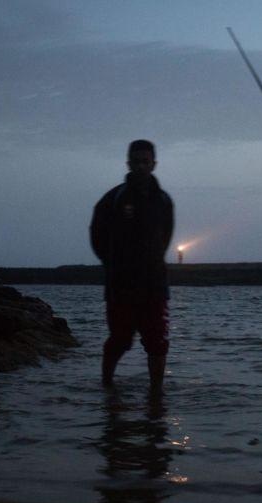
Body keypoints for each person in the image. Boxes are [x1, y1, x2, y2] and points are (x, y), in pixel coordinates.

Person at [90, 140, 174, 394]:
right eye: (135, 161)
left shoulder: (163, 200)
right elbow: (97, 234)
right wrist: (112, 264)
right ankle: (107, 384)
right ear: (128, 163)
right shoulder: (113, 198)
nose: (140, 166)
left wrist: (154, 262)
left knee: (157, 341)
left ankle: (156, 395)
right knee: (120, 340)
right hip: (120, 285)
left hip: (155, 285)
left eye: (145, 161)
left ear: (153, 164)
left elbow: (166, 236)